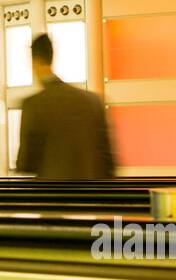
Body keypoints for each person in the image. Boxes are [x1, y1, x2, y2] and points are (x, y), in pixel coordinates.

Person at [15, 33, 115, 180]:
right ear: (51, 57)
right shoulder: (93, 102)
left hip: (52, 198)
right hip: (90, 197)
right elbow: (108, 162)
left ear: (34, 61)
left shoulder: (33, 105)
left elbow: (25, 164)